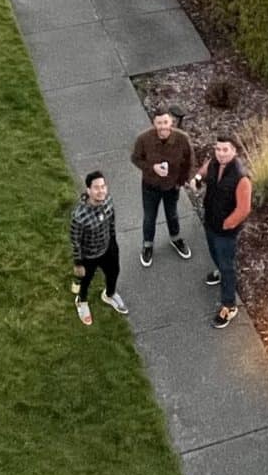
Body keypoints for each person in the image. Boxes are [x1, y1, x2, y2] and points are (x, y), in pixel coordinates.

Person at [193, 135, 251, 327]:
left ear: (234, 151)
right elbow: (204, 170)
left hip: (225, 231)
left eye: (225, 150)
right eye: (218, 149)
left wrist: (227, 224)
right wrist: (198, 178)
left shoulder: (241, 178)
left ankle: (229, 306)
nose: (221, 153)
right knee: (214, 253)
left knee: (227, 266)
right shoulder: (214, 163)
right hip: (210, 222)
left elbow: (244, 209)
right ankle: (220, 272)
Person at [129, 110, 196, 266]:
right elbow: (135, 158)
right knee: (149, 217)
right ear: (154, 123)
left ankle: (175, 238)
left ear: (171, 122)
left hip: (172, 186)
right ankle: (147, 245)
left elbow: (189, 161)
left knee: (172, 214)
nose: (163, 126)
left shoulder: (182, 139)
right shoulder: (143, 139)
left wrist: (182, 181)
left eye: (165, 122)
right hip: (150, 186)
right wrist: (152, 167)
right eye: (159, 123)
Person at [68, 170, 128, 324]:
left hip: (108, 247)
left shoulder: (108, 201)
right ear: (88, 190)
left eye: (103, 186)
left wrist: (113, 242)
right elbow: (75, 241)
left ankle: (109, 295)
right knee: (85, 281)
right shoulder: (79, 216)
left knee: (114, 272)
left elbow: (111, 221)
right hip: (89, 255)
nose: (101, 191)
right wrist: (78, 263)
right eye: (96, 187)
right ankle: (81, 301)